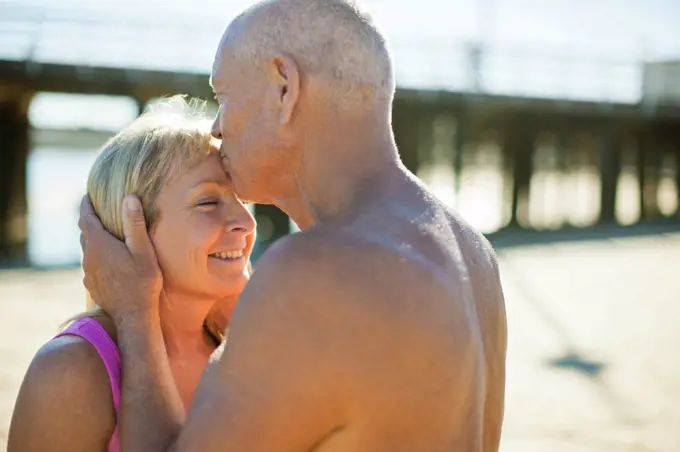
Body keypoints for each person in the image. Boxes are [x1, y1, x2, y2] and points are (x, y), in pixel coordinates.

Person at [78, 0, 508, 451]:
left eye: (223, 97)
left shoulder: (314, 272)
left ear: (284, 89)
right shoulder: (474, 253)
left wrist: (132, 313)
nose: (217, 127)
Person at [8, 96, 256, 452]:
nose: (246, 223)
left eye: (242, 200)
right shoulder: (72, 370)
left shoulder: (240, 349)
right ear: (130, 230)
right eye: (208, 202)